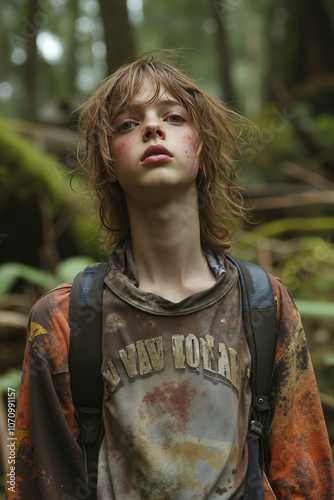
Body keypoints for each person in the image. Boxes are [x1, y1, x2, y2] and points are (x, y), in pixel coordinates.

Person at [6, 53, 334, 500]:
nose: (152, 128)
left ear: (202, 150)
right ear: (109, 166)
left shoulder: (262, 305)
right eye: (126, 124)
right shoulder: (65, 320)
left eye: (174, 116)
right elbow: (29, 483)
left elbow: (307, 478)